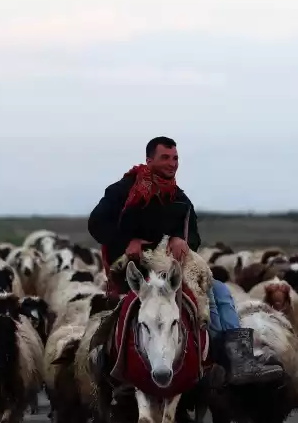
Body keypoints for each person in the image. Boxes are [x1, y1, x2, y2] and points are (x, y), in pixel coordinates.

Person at [87, 136, 283, 385]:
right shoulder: (122, 191)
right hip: (133, 267)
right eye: (165, 158)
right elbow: (96, 223)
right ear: (149, 160)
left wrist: (181, 239)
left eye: (175, 158)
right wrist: (127, 241)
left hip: (171, 267)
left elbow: (194, 235)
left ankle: (238, 359)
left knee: (221, 291)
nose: (172, 163)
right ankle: (106, 362)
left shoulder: (179, 198)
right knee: (191, 299)